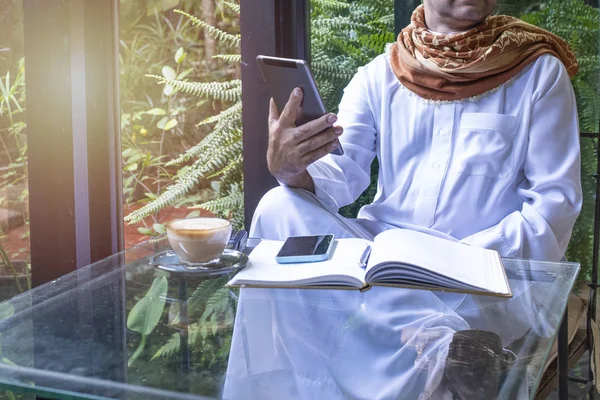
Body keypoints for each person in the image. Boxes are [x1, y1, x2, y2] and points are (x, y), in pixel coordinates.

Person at [224, 1, 582, 398]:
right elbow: (340, 176)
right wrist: (291, 167)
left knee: (364, 300)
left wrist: (452, 263)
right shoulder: (380, 75)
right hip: (384, 263)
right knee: (278, 205)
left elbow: (554, 207)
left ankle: (408, 348)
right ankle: (444, 346)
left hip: (478, 278)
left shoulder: (537, 73)